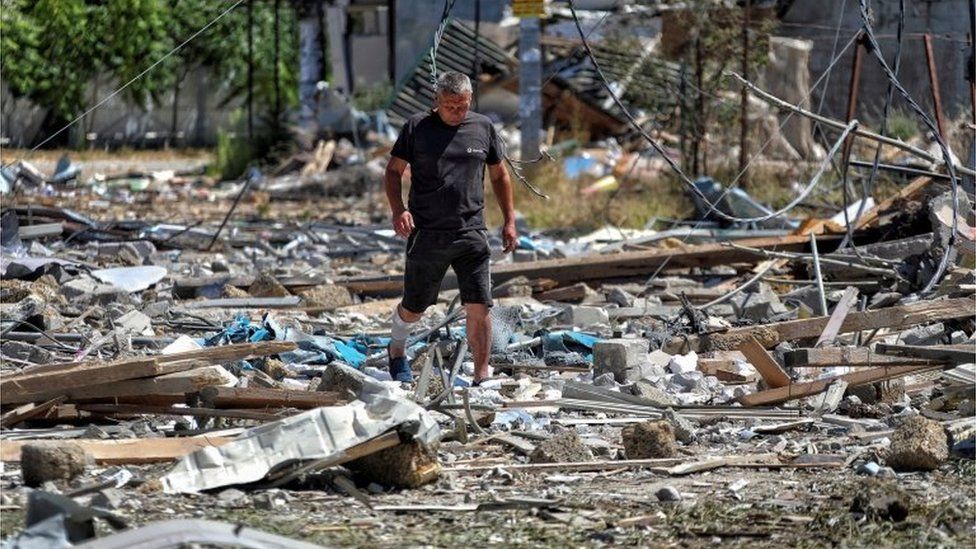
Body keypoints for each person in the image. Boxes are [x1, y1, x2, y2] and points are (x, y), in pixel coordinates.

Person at [384, 71, 517, 384]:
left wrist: (509, 220)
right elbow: (393, 172)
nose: (457, 112)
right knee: (414, 308)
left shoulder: (483, 127)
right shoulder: (416, 127)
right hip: (427, 232)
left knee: (479, 304)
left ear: (470, 99)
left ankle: (482, 374)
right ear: (436, 101)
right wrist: (398, 210)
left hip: (471, 231)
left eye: (462, 106)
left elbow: (500, 176)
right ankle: (397, 348)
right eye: (449, 107)